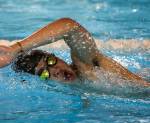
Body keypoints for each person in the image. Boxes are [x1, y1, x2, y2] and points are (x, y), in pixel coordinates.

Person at [0, 18, 149, 86]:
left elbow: (70, 27)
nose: (55, 71)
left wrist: (15, 48)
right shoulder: (75, 91)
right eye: (44, 74)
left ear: (56, 57)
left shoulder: (85, 65)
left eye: (50, 62)